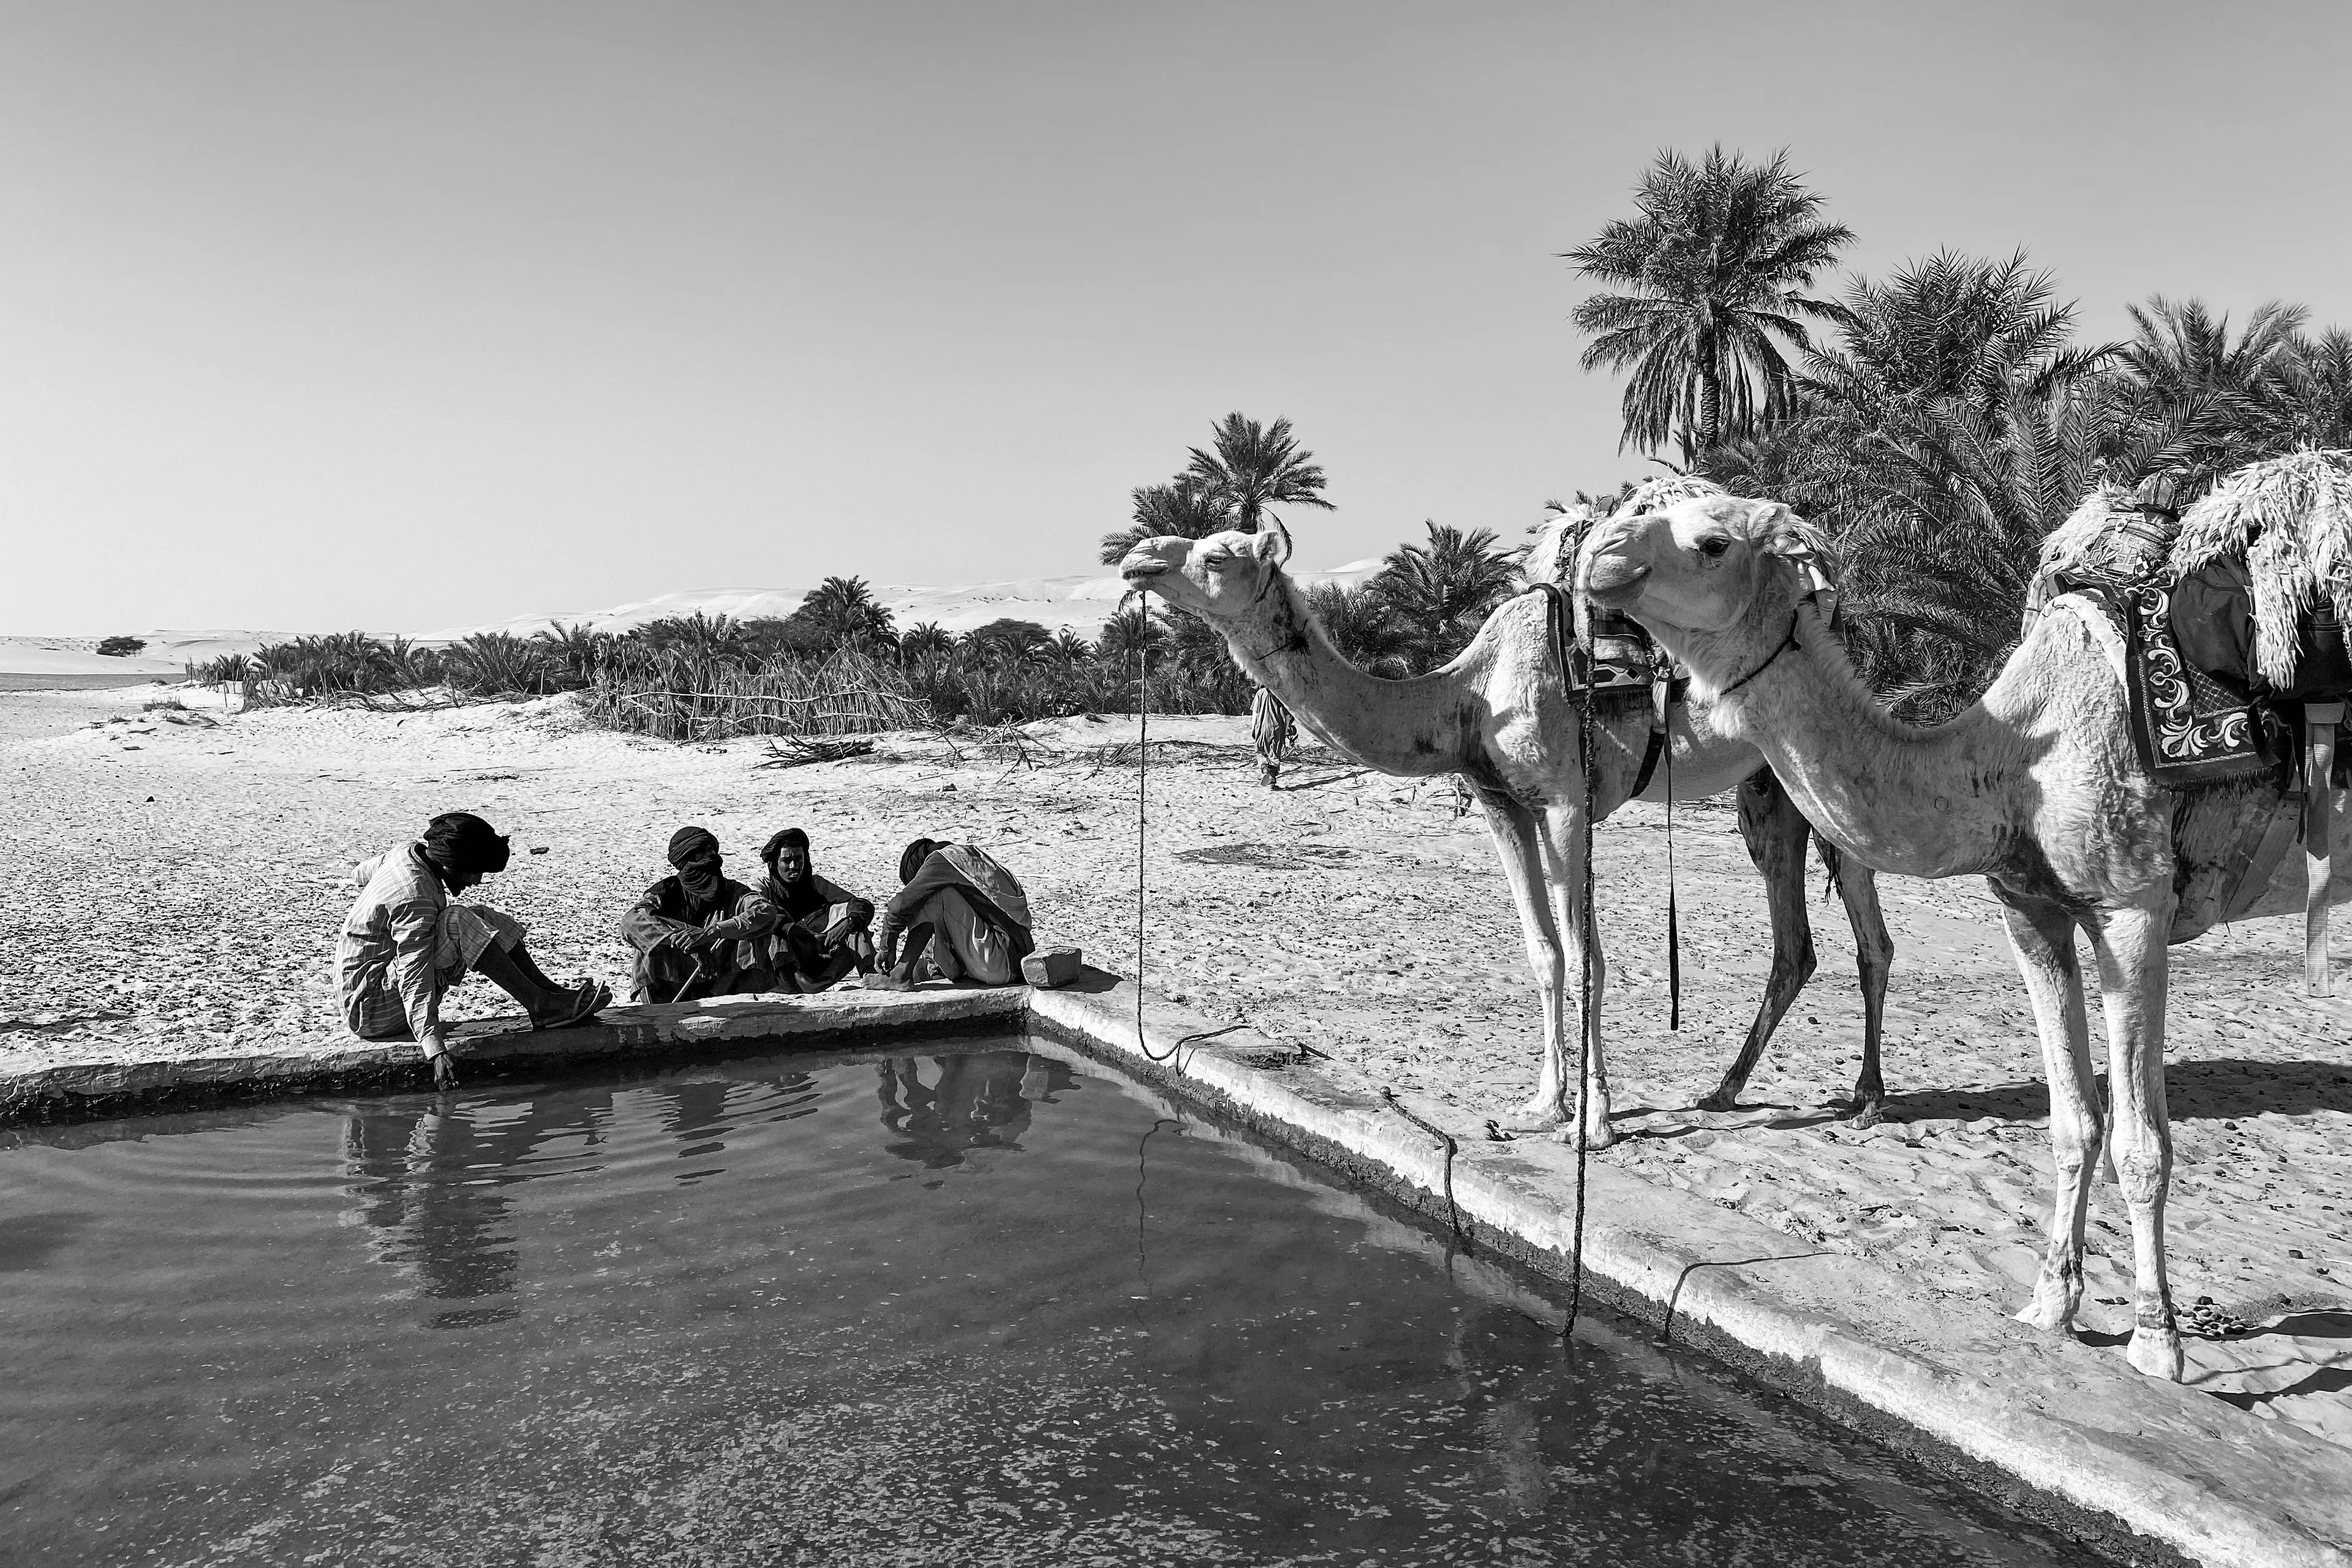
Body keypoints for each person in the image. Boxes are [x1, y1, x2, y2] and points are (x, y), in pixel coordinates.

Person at [338, 812, 608, 1088]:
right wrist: (436, 1050)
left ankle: (551, 996)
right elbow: (413, 974)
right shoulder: (414, 896)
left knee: (483, 916)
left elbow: (360, 872)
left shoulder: (404, 854)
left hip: (373, 990)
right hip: (372, 1010)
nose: (477, 881)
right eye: (475, 871)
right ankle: (541, 1006)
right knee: (458, 920)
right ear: (452, 863)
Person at [618, 826, 782, 1003]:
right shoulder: (667, 892)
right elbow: (631, 921)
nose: (712, 857)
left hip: (724, 985)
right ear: (686, 859)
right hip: (671, 986)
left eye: (713, 850)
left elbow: (765, 912)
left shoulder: (733, 892)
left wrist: (714, 932)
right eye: (703, 852)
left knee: (755, 929)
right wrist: (688, 944)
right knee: (648, 935)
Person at [868, 837, 1035, 989]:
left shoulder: (942, 861)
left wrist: (886, 947)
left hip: (999, 962)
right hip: (1016, 964)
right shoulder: (966, 858)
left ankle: (900, 976)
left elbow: (899, 906)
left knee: (928, 897)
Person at [754, 827, 875, 992]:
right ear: (775, 863)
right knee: (769, 927)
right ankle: (796, 985)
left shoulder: (816, 885)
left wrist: (848, 924)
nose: (794, 866)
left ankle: (872, 976)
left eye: (799, 859)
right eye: (786, 860)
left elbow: (861, 905)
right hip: (782, 972)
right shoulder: (764, 887)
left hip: (821, 962)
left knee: (856, 924)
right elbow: (755, 913)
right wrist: (797, 933)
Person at [1251, 685, 1295, 790]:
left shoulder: (1260, 693)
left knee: (1260, 752)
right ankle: (1271, 782)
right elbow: (1287, 716)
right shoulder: (1282, 694)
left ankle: (1264, 768)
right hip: (1277, 728)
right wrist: (1285, 732)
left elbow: (1255, 712)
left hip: (1262, 727)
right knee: (1274, 754)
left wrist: (1253, 728)